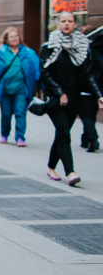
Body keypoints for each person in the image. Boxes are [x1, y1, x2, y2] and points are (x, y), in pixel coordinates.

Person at [40, 13, 102, 185]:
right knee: (64, 134)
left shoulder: (83, 46)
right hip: (56, 99)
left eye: (70, 21)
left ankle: (51, 167)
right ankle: (71, 172)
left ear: (75, 24)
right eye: (63, 21)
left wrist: (99, 95)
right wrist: (60, 93)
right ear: (58, 24)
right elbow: (44, 73)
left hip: (75, 99)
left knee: (61, 134)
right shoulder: (49, 46)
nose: (66, 24)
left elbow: (89, 74)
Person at [0, 27, 39, 146]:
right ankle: (4, 134)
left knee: (20, 112)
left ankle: (20, 137)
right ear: (6, 39)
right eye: (11, 37)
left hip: (21, 89)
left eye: (16, 36)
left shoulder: (28, 53)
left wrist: (41, 86)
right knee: (6, 113)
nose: (14, 39)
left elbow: (37, 70)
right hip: (4, 89)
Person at [80, 25, 101, 152]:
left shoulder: (83, 49)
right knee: (90, 114)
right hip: (98, 87)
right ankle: (86, 138)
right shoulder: (99, 48)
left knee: (86, 115)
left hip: (85, 87)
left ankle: (93, 139)